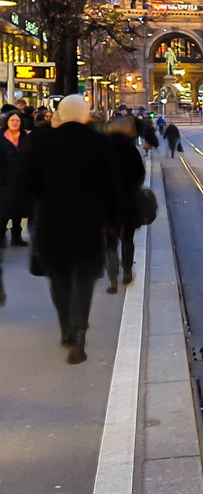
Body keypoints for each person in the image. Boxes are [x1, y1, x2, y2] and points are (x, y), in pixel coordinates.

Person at [28, 95, 118, 364]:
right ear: (84, 114)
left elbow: (27, 181)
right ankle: (80, 331)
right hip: (88, 223)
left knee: (59, 277)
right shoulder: (99, 143)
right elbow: (111, 187)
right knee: (84, 278)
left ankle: (66, 327)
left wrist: (41, 205)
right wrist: (112, 221)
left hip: (51, 222)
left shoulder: (40, 141)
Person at [105, 116, 145, 292]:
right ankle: (127, 272)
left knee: (110, 242)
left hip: (107, 204)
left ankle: (112, 280)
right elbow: (140, 174)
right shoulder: (131, 150)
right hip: (128, 201)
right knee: (128, 239)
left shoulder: (102, 149)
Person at [0, 111, 33, 246]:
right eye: (12, 120)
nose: (15, 123)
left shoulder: (26, 137)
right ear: (7, 122)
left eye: (17, 121)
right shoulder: (1, 137)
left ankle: (16, 236)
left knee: (19, 209)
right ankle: (1, 236)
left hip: (22, 179)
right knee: (3, 210)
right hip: (4, 179)